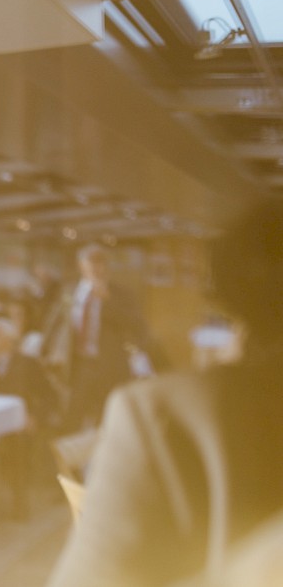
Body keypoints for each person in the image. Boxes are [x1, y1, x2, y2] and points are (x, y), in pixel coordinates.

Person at [48, 202, 283, 587]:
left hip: (110, 371)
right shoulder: (70, 295)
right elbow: (61, 329)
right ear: (82, 269)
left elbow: (137, 330)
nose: (94, 273)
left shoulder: (165, 419)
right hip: (80, 372)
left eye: (99, 267)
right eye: (89, 268)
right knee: (78, 427)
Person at [60, 243, 160, 429]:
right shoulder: (70, 291)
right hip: (79, 364)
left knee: (109, 416)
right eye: (93, 262)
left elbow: (138, 327)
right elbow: (57, 322)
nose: (99, 267)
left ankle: (104, 455)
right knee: (73, 415)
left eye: (102, 262)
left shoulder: (121, 294)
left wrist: (108, 302)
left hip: (110, 365)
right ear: (81, 265)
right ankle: (69, 455)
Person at [0, 317, 56, 517]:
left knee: (17, 444)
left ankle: (19, 501)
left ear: (10, 340)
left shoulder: (27, 364)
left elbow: (49, 396)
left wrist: (35, 417)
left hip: (17, 425)